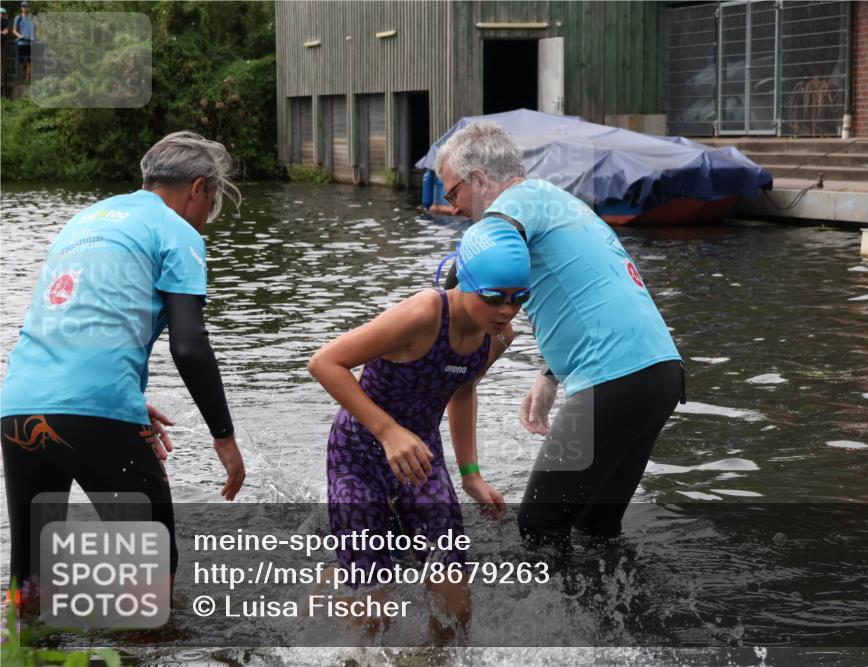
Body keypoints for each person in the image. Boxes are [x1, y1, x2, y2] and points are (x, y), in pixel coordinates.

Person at [0, 131, 247, 609]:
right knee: (148, 586)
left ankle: (24, 654)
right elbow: (190, 345)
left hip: (18, 405)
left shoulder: (85, 219)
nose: (207, 215)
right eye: (212, 200)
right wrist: (224, 437)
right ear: (198, 188)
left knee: (30, 573)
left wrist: (126, 400)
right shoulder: (178, 232)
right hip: (96, 410)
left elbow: (77, 317)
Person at [434, 122, 685, 546]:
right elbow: (591, 289)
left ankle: (549, 616)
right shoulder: (556, 201)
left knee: (538, 523)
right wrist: (551, 373)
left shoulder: (511, 205)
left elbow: (487, 255)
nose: (454, 208)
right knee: (594, 527)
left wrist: (427, 316)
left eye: (452, 192)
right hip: (658, 375)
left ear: (479, 179)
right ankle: (616, 612)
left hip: (613, 382)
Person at [307, 218, 528, 643]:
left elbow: (464, 391)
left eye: (520, 297)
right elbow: (324, 363)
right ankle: (334, 588)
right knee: (374, 615)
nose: (507, 309)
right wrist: (388, 431)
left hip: (421, 458)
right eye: (494, 296)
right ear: (466, 281)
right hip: (357, 455)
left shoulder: (497, 335)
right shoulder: (424, 313)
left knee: (456, 608)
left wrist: (471, 475)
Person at [12, 1, 33, 83]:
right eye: (23, 6)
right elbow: (14, 30)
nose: (25, 8)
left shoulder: (32, 18)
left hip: (30, 43)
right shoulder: (18, 18)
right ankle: (20, 78)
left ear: (29, 7)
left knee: (30, 62)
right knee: (21, 62)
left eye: (26, 6)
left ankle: (27, 80)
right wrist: (20, 36)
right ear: (21, 8)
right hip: (21, 43)